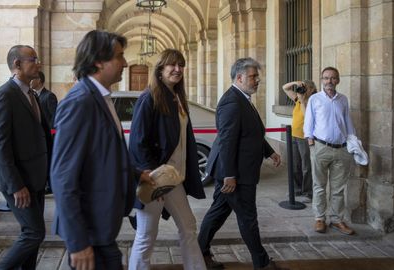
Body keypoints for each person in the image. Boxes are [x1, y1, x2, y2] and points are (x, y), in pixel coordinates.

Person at [51, 30, 151, 270]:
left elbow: (103, 153)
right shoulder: (80, 102)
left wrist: (137, 174)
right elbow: (63, 177)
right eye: (119, 56)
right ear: (98, 61)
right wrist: (77, 242)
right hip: (88, 229)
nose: (125, 63)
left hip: (101, 225)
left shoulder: (101, 97)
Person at [197, 58, 284, 270]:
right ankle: (262, 263)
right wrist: (229, 175)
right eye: (253, 77)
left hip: (236, 171)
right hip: (236, 174)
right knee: (248, 217)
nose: (257, 81)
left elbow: (250, 133)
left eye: (257, 77)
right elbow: (227, 140)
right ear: (239, 77)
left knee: (218, 213)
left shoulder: (242, 98)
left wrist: (269, 151)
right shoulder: (232, 102)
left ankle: (199, 255)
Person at [128, 49, 206, 270]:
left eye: (181, 65)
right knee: (146, 234)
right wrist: (153, 179)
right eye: (172, 65)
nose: (177, 69)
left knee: (188, 226)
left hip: (174, 178)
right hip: (156, 178)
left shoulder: (177, 98)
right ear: (160, 69)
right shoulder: (149, 97)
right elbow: (138, 143)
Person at [0, 45, 51, 269]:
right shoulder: (4, 96)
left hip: (36, 178)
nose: (38, 63)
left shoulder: (31, 94)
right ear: (17, 65)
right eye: (33, 59)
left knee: (30, 233)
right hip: (19, 181)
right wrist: (16, 185)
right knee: (35, 233)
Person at [304, 67, 356, 235]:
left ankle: (337, 220)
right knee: (319, 185)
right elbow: (308, 121)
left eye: (333, 78)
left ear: (338, 80)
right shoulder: (314, 99)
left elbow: (347, 122)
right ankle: (319, 218)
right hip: (320, 147)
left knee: (338, 188)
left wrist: (352, 142)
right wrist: (310, 141)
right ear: (321, 80)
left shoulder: (343, 100)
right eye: (326, 78)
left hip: (342, 149)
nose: (329, 81)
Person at [281, 80, 317, 203]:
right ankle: (296, 189)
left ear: (312, 89)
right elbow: (284, 87)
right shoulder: (297, 98)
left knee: (306, 166)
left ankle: (308, 193)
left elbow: (307, 117)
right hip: (294, 135)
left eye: (306, 88)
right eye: (303, 87)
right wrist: (296, 83)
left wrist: (302, 101)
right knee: (295, 164)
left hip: (305, 137)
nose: (304, 90)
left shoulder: (313, 101)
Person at [30, 71, 57, 194]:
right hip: (37, 138)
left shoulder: (49, 96)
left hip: (48, 137)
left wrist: (49, 134)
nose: (30, 82)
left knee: (49, 160)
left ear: (39, 80)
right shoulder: (33, 96)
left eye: (33, 79)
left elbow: (54, 118)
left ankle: (51, 185)